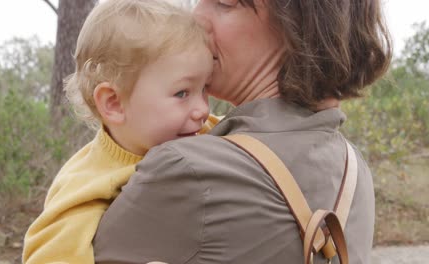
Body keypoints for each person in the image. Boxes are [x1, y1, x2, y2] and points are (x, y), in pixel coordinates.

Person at [93, 0, 392, 263]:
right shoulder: (354, 167)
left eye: (225, 3)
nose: (196, 17)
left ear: (300, 26)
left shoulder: (187, 169)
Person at [22, 0, 217, 263]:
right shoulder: (85, 184)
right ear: (113, 103)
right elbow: (48, 257)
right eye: (182, 93)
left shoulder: (206, 130)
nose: (202, 110)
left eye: (204, 88)